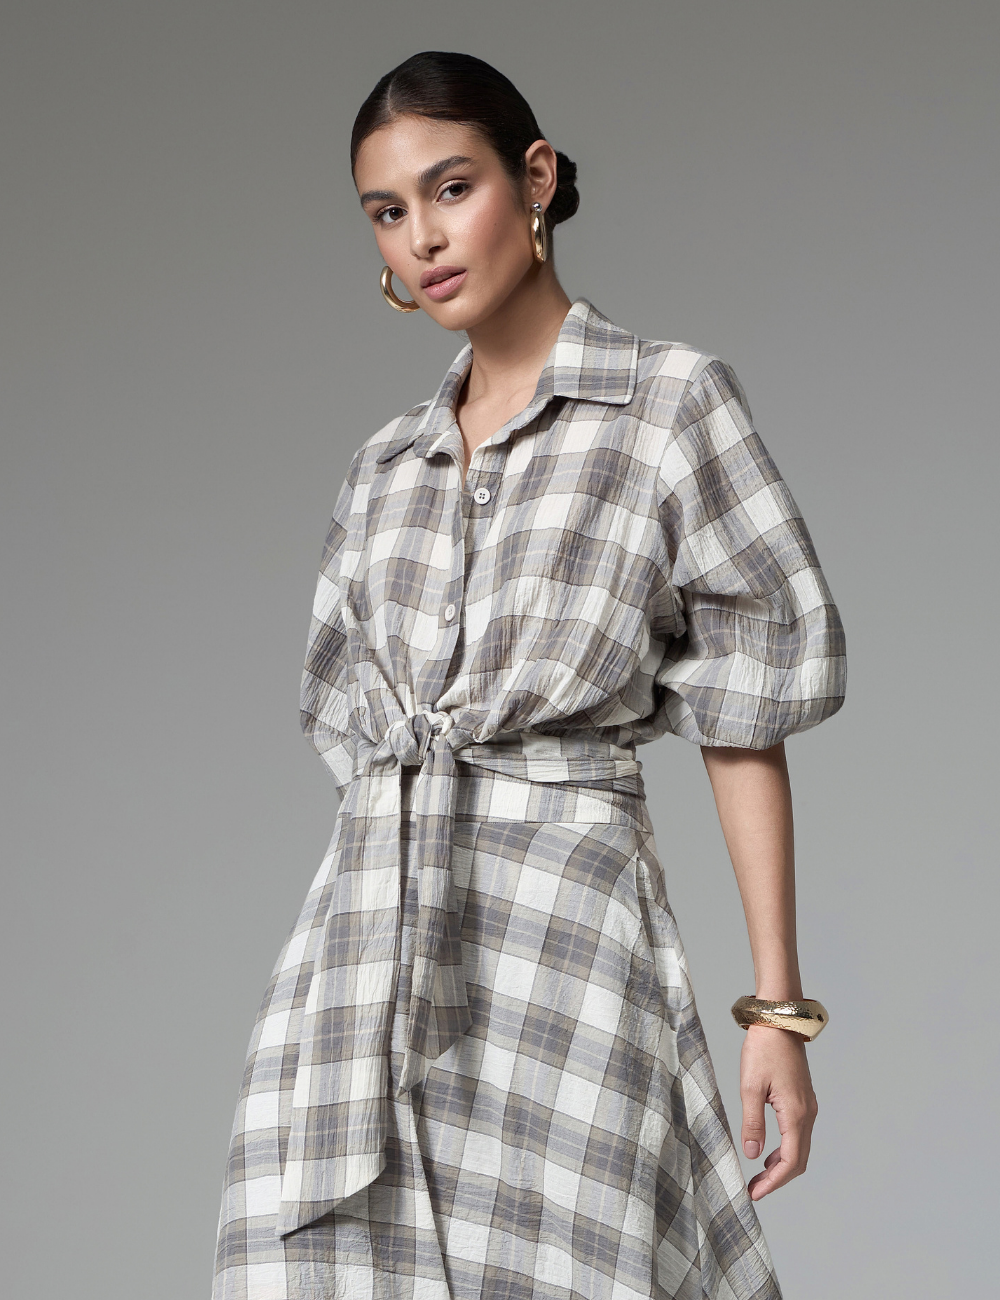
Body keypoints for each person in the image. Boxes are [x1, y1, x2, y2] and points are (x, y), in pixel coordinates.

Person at [212, 50, 846, 1300]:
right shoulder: (384, 467)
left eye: (451, 188)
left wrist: (777, 1010)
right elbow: (348, 738)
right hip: (367, 949)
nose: (422, 238)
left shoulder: (667, 406)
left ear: (537, 177)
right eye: (387, 212)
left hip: (567, 931)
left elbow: (742, 718)